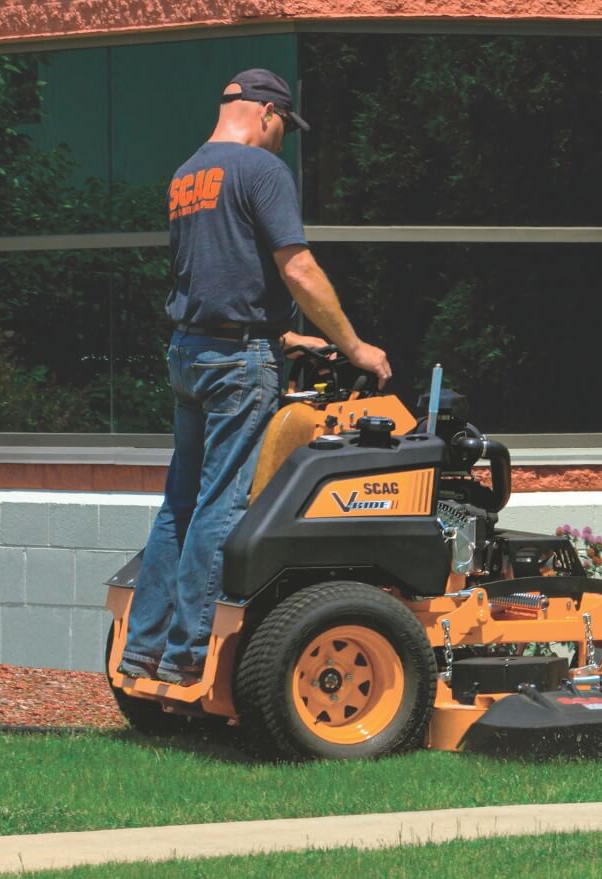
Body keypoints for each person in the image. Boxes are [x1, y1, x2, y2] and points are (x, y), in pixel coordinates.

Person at [118, 68, 390, 685]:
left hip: (190, 355)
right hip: (238, 365)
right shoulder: (261, 171)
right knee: (221, 504)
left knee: (178, 507)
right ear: (267, 113)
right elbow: (298, 268)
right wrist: (354, 346)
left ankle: (143, 648)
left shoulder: (187, 174)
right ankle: (189, 655)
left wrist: (289, 337)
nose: (281, 143)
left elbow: (209, 278)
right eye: (283, 131)